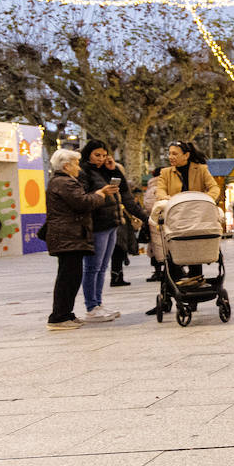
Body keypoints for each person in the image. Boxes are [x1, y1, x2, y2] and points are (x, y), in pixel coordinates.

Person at [45, 148, 120, 330]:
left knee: (72, 276)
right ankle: (58, 317)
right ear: (66, 166)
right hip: (68, 237)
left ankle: (66, 314)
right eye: (76, 163)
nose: (78, 167)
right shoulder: (64, 183)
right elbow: (83, 202)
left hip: (70, 236)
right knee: (68, 277)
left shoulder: (64, 181)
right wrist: (101, 194)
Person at [78, 141, 146, 322]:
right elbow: (84, 199)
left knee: (102, 267)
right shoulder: (83, 172)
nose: (100, 159)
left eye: (103, 155)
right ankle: (91, 306)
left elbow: (125, 194)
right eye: (97, 155)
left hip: (111, 224)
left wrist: (114, 170)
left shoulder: (105, 171)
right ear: (88, 154)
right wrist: (102, 192)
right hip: (96, 225)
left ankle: (98, 303)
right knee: (92, 267)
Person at [154, 141, 219, 281]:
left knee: (195, 247)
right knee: (173, 249)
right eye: (169, 153)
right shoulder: (165, 173)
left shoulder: (201, 169)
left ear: (186, 155)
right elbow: (159, 190)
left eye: (175, 154)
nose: (171, 157)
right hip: (176, 216)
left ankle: (196, 280)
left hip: (196, 215)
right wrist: (165, 197)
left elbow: (214, 188)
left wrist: (205, 199)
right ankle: (175, 282)